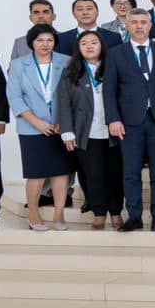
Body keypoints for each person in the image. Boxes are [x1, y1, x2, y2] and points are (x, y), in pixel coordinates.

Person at [102, 9, 155, 230]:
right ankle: (135, 217)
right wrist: (113, 119)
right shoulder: (115, 53)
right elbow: (109, 89)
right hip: (129, 122)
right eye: (134, 22)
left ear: (150, 25)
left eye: (143, 22)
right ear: (127, 26)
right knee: (131, 172)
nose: (139, 26)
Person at [9, 26, 72, 231]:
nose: (45, 44)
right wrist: (36, 122)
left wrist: (64, 121)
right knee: (36, 173)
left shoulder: (66, 61)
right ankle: (33, 214)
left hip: (60, 126)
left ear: (55, 42)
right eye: (40, 40)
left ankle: (59, 215)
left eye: (49, 40)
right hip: (31, 127)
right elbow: (15, 97)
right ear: (31, 43)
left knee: (61, 171)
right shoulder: (19, 65)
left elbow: (73, 93)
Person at [56, 31, 118, 231]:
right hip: (86, 132)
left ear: (101, 46)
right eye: (84, 43)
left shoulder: (113, 66)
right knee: (93, 174)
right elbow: (64, 103)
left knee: (115, 173)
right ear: (78, 48)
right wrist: (67, 131)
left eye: (94, 42)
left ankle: (116, 212)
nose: (89, 46)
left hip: (114, 131)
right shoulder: (71, 71)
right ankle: (99, 213)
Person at [56, 0, 123, 56]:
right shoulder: (61, 39)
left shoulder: (114, 37)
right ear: (73, 14)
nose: (85, 12)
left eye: (89, 9)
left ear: (97, 12)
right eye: (80, 9)